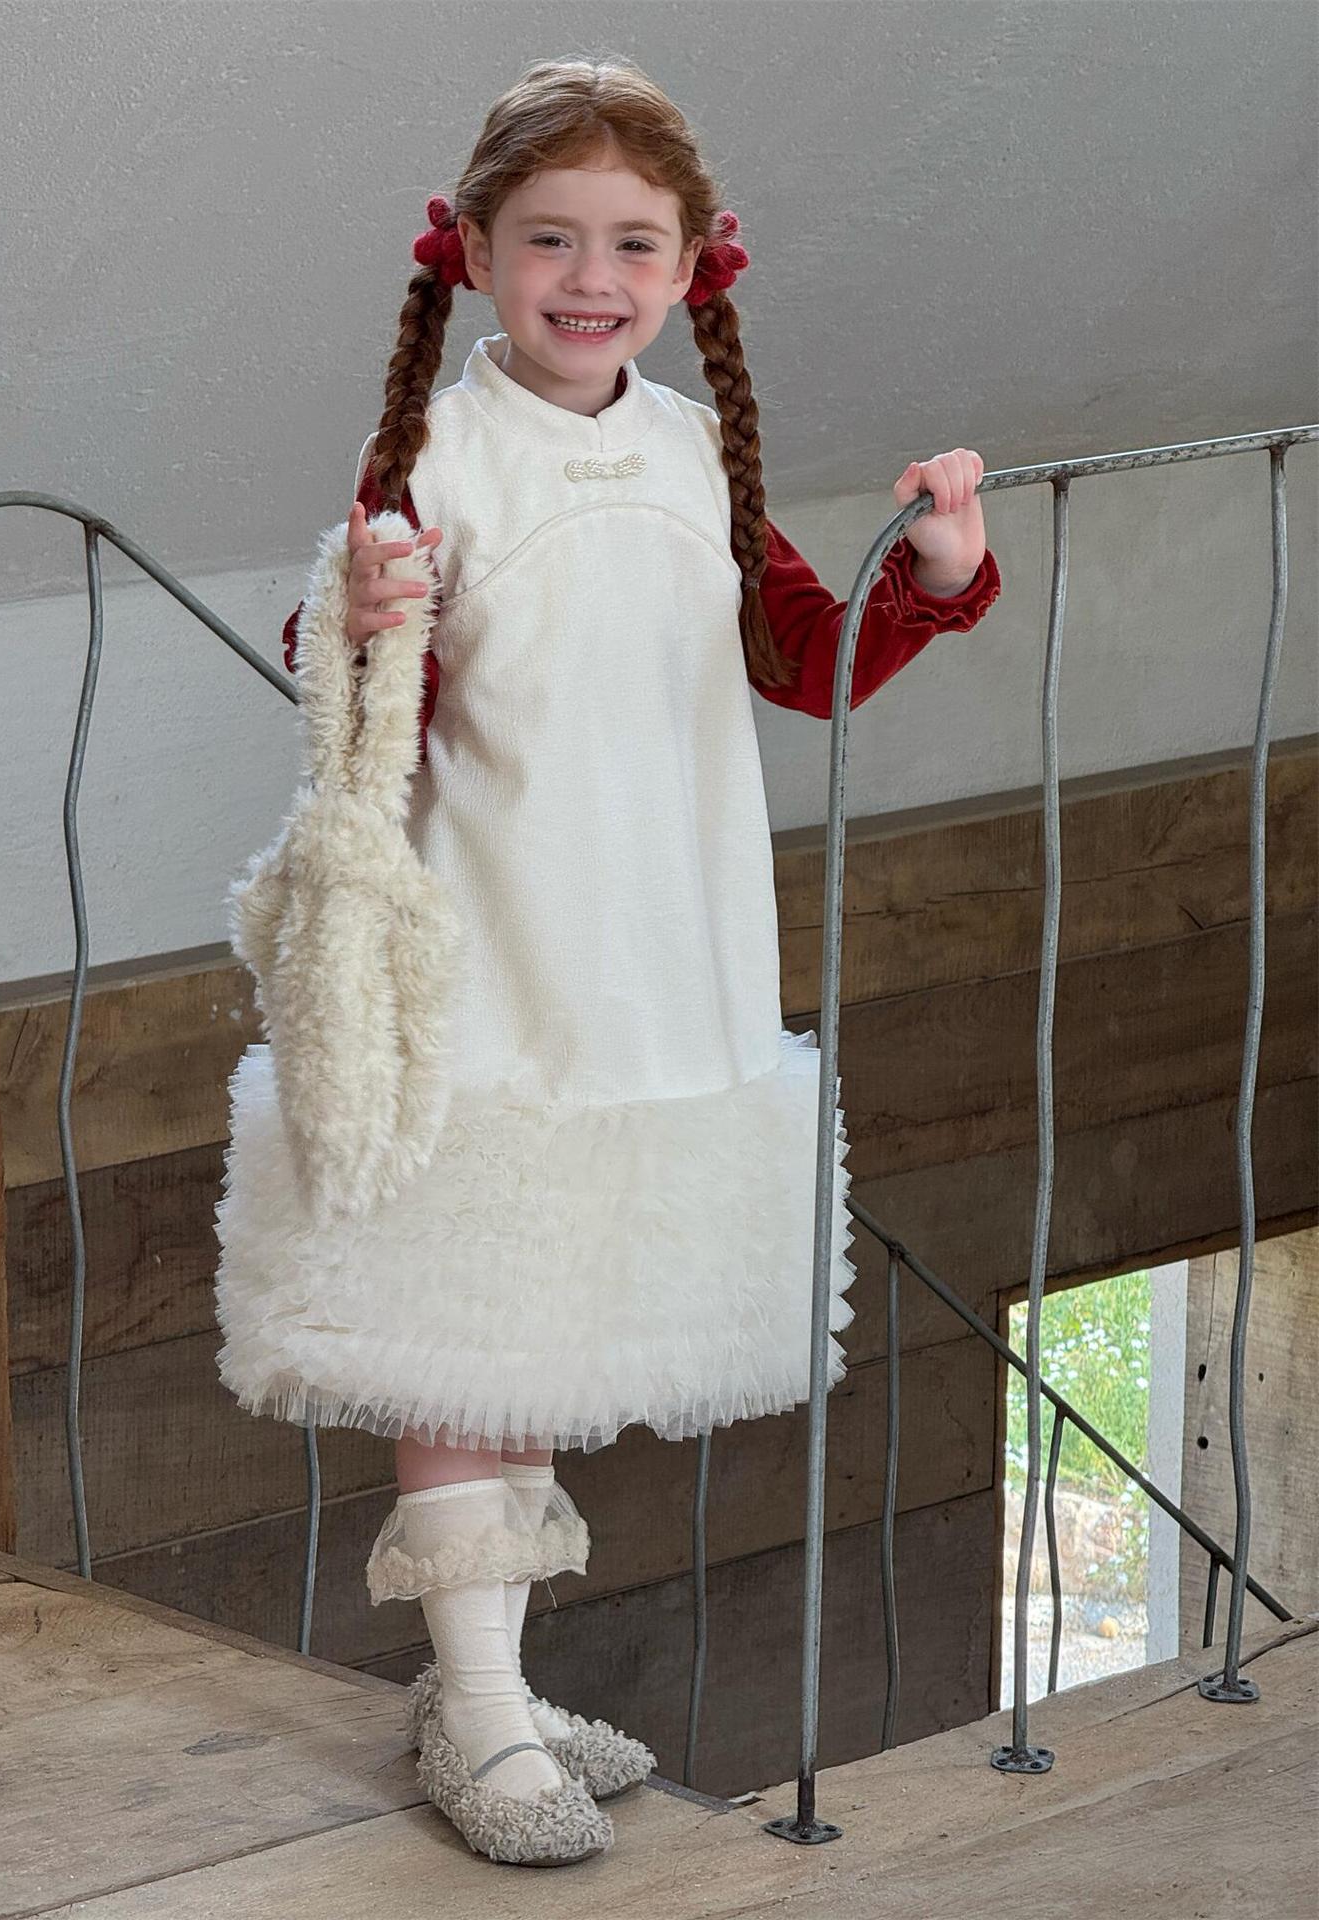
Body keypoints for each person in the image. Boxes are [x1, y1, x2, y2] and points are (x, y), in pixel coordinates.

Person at [215, 56, 1001, 1865]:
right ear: (476, 254)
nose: (591, 276)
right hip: (492, 943)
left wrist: (939, 567)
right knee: (462, 1331)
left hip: (658, 944)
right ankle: (479, 1703)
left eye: (632, 243)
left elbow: (805, 659)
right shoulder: (438, 456)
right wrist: (351, 613)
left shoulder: (691, 451)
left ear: (696, 263)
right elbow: (357, 678)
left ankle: (487, 1679)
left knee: (549, 1321)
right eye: (551, 239)